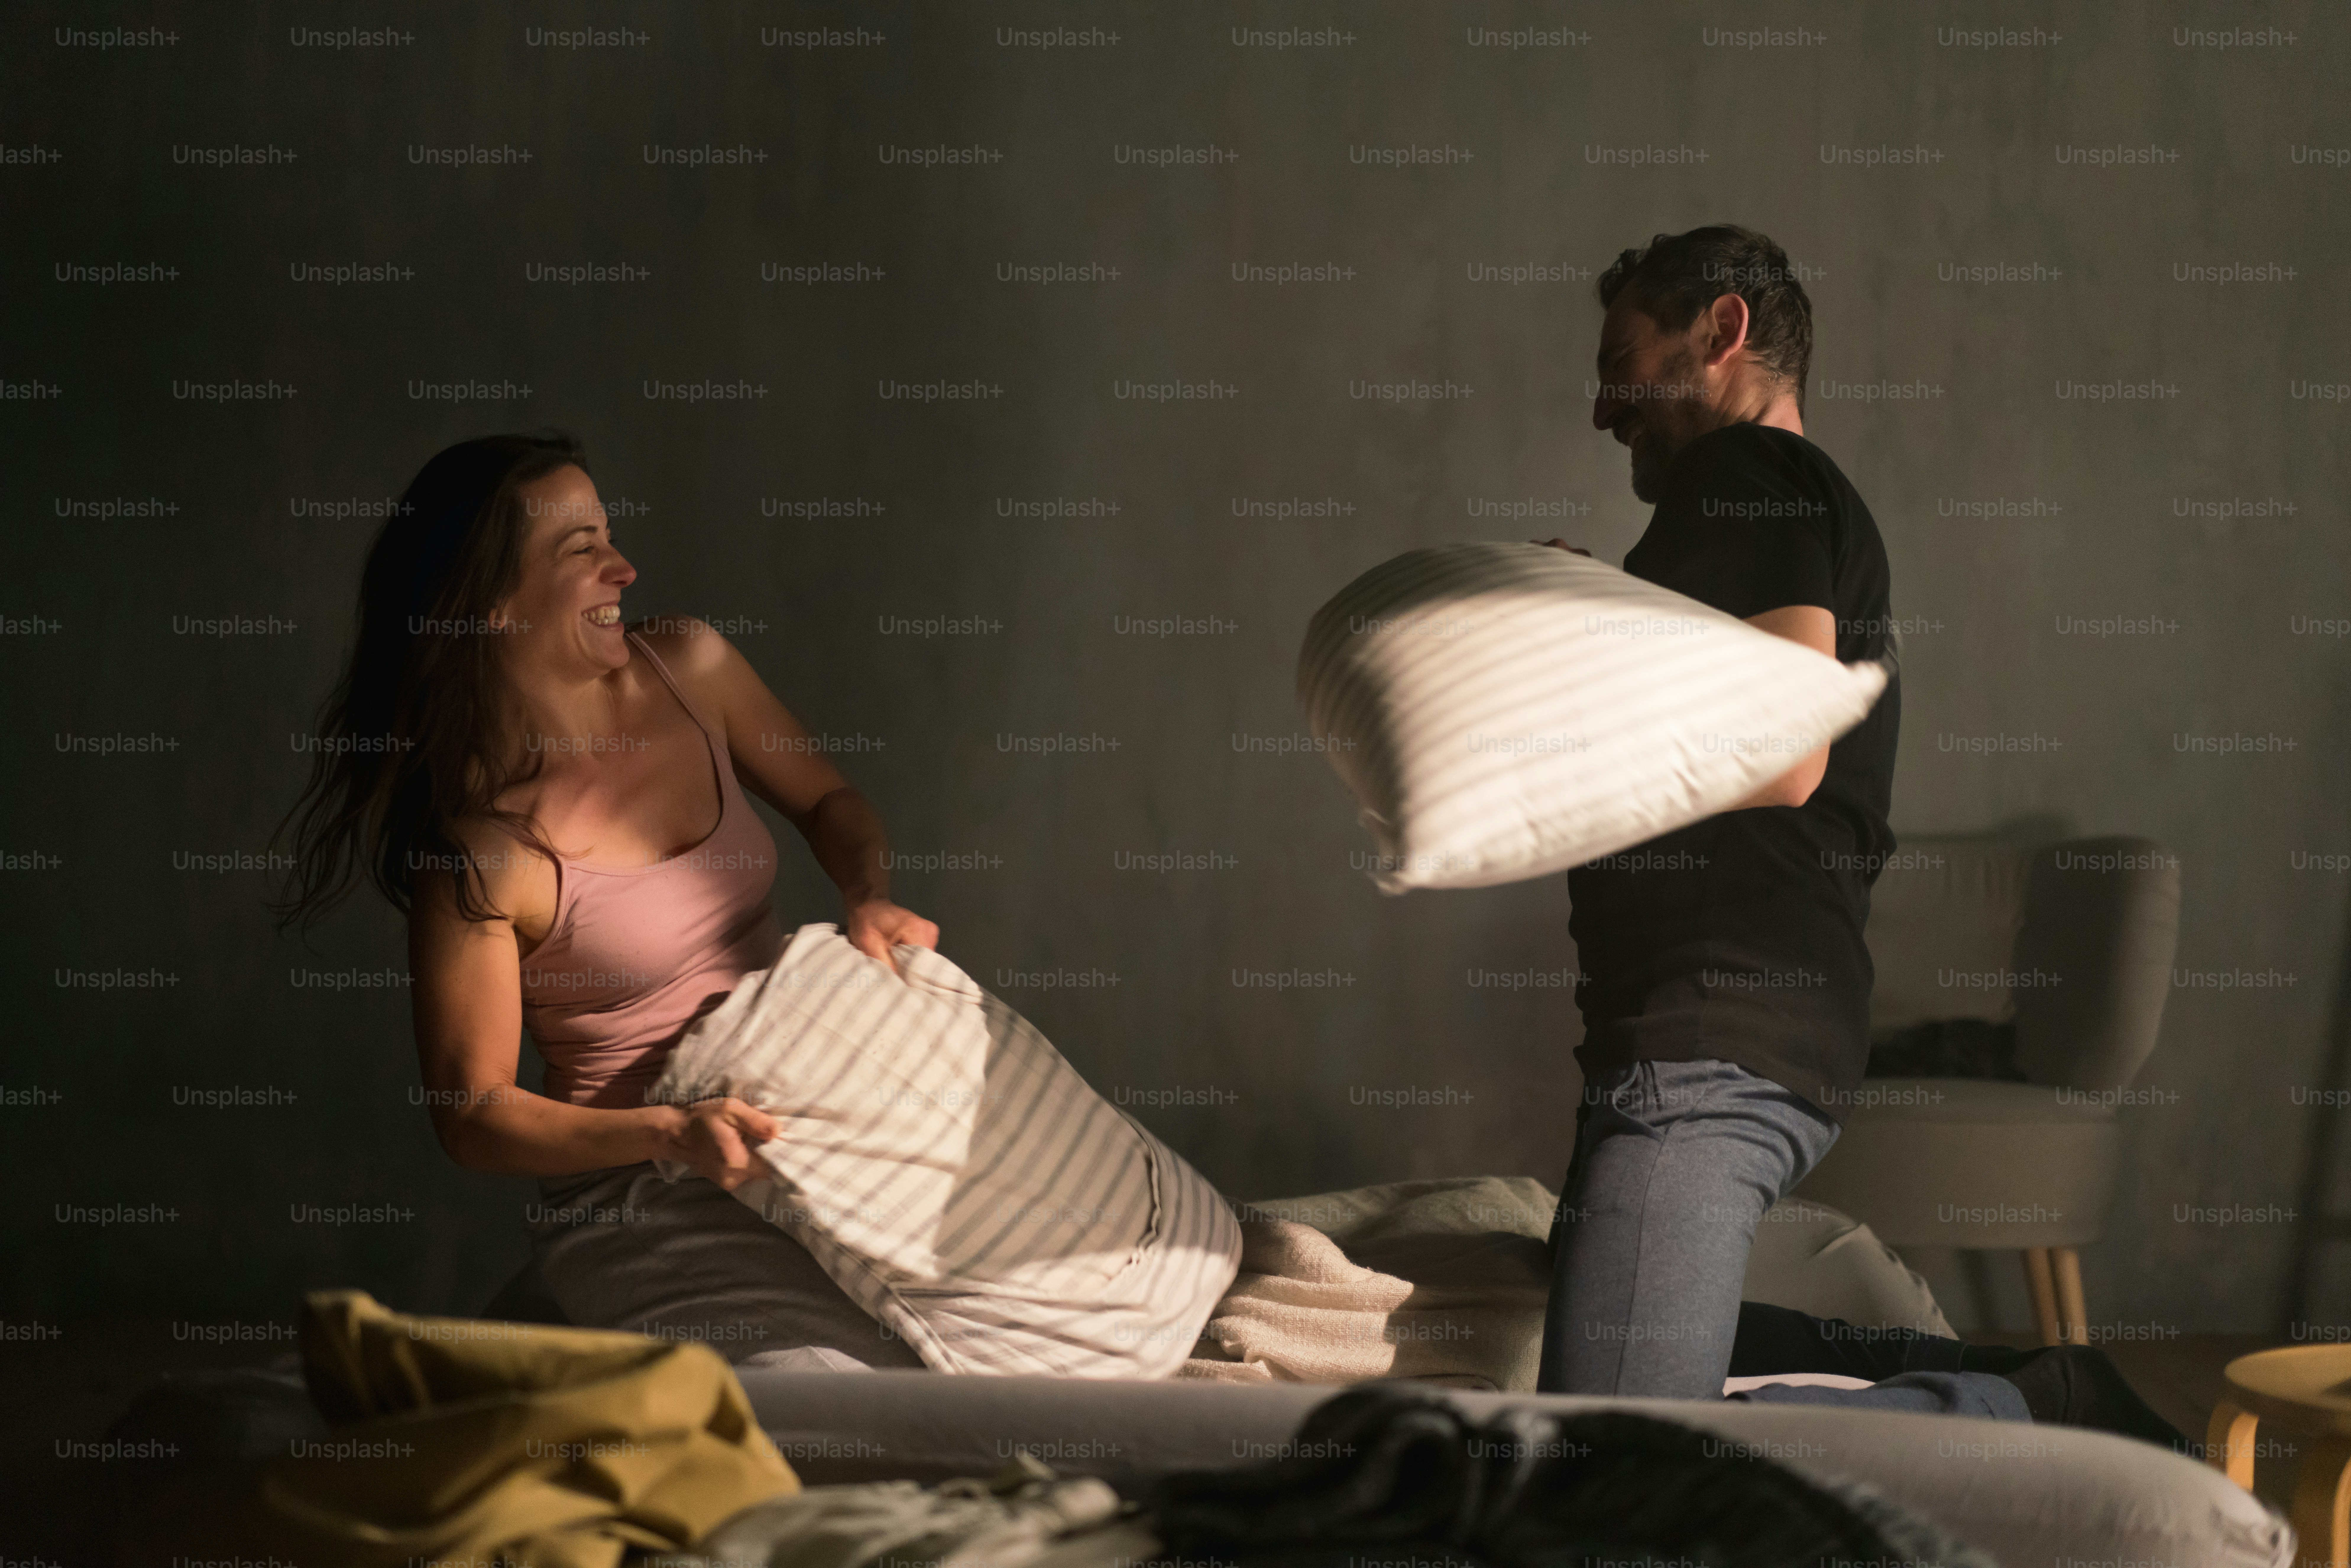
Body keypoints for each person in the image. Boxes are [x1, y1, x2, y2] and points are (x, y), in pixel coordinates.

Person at [1535, 227, 2179, 1443]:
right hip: (1693, 1035)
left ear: (1718, 334)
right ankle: (2015, 1383)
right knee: (1605, 1363)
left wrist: (1572, 641)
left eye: (1623, 360)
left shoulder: (1743, 478)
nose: (1600, 406)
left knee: (1607, 1446)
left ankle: (2028, 1410)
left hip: (1706, 1037)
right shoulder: (1745, 510)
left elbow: (1782, 755)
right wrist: (1591, 613)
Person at [277, 432, 933, 1370]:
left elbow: (830, 801)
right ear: (489, 605)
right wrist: (677, 1133)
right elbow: (474, 1114)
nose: (624, 568)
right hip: (647, 1188)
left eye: (610, 536)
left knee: (1017, 1323)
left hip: (814, 1116)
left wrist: (866, 895)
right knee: (830, 1396)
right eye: (582, 551)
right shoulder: (483, 856)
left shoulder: (691, 669)